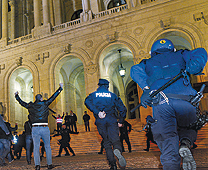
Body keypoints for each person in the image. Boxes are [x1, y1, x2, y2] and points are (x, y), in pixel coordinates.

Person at [130, 38, 207, 170]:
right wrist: (196, 64)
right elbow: (201, 51)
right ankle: (185, 143)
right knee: (190, 127)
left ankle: (171, 164)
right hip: (186, 101)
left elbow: (135, 70)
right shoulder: (181, 54)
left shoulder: (147, 62)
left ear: (153, 52)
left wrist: (146, 89)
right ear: (172, 49)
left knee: (167, 139)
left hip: (162, 102)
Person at [15, 83, 63, 170]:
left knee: (36, 147)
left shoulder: (31, 106)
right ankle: (49, 164)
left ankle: (37, 165)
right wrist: (60, 88)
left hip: (35, 128)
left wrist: (17, 96)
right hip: (44, 127)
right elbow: (53, 97)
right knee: (47, 146)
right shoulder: (45, 104)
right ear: (41, 99)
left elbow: (22, 103)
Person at [85, 79, 127, 170]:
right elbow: (122, 108)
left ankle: (113, 165)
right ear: (107, 86)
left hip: (100, 120)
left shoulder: (93, 95)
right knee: (115, 140)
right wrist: (121, 120)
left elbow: (87, 102)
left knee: (106, 142)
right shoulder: (112, 95)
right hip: (111, 119)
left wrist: (97, 111)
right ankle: (117, 150)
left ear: (99, 85)